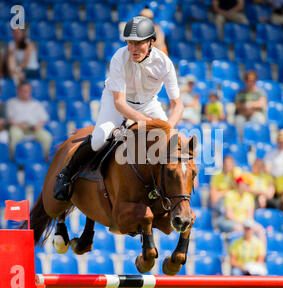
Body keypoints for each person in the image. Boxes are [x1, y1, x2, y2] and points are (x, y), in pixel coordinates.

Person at [53, 16, 185, 201]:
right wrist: (144, 121)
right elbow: (120, 103)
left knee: (172, 141)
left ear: (151, 43)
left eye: (138, 43)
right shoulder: (119, 58)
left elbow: (178, 104)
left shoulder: (164, 63)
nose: (132, 49)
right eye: (129, 43)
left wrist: (167, 127)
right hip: (116, 100)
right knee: (99, 139)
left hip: (148, 103)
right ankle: (66, 174)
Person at [6, 81, 52, 159]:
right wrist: (20, 125)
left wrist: (38, 126)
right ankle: (14, 158)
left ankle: (45, 159)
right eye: (23, 90)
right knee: (15, 135)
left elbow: (44, 119)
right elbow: (9, 119)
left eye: (27, 90)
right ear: (18, 91)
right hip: (17, 126)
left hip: (33, 127)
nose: (25, 93)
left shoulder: (36, 104)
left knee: (46, 137)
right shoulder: (11, 102)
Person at [234, 70, 268, 137]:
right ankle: (241, 142)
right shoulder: (240, 93)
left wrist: (248, 105)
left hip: (256, 114)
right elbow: (237, 105)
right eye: (249, 80)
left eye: (253, 80)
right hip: (243, 114)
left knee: (258, 118)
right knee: (239, 120)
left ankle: (256, 141)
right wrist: (246, 109)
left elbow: (262, 103)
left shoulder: (260, 92)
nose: (251, 82)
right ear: (245, 81)